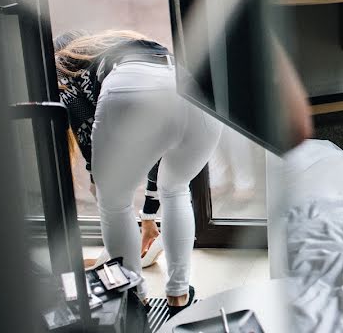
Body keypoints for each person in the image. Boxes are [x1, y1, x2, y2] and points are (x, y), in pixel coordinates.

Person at [54, 30, 222, 316]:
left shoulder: (65, 65)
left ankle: (135, 298)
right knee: (177, 188)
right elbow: (157, 148)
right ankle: (179, 295)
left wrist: (100, 181)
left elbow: (88, 137)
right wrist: (147, 216)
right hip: (198, 99)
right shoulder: (123, 43)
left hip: (128, 94)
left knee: (113, 202)